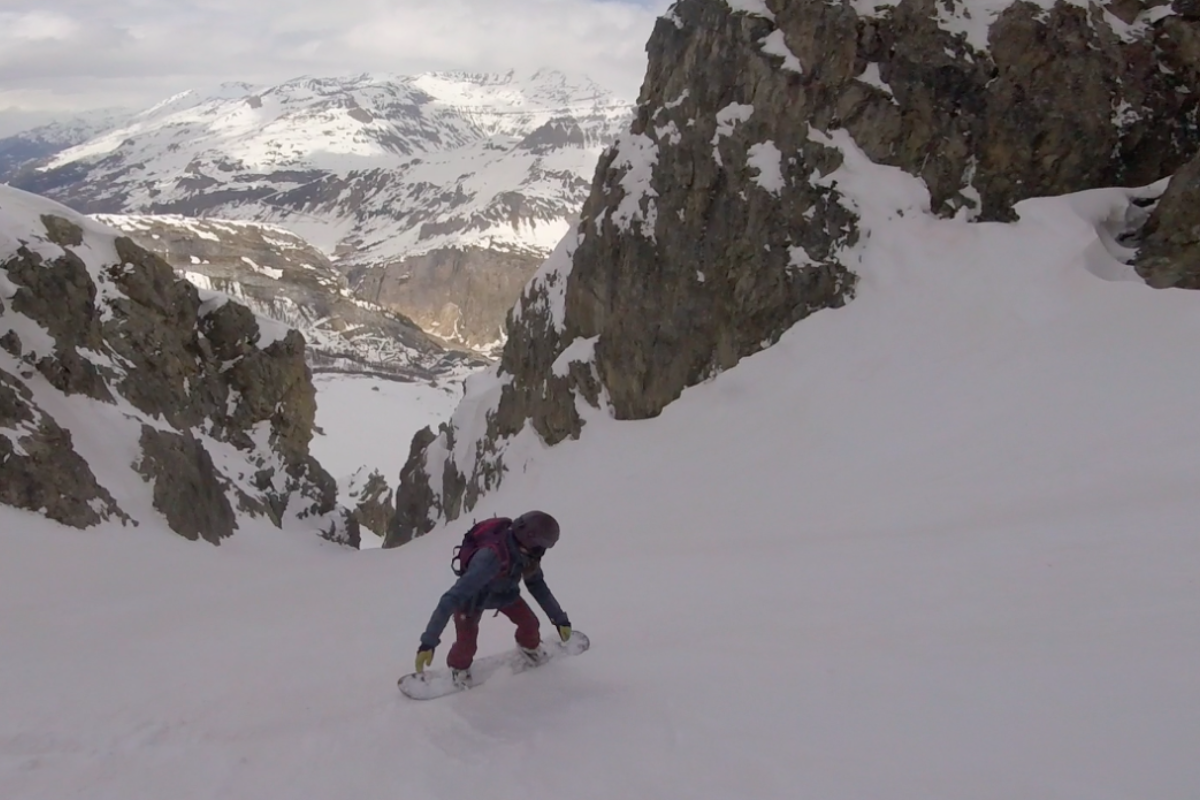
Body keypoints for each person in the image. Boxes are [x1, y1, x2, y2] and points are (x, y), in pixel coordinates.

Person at [415, 510, 572, 682]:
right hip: (472, 600)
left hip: (504, 593)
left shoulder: (526, 556)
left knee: (530, 625)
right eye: (541, 546)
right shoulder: (490, 559)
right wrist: (428, 642)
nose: (542, 551)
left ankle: (529, 648)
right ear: (530, 540)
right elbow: (451, 599)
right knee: (466, 646)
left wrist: (559, 619)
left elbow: (537, 586)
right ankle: (458, 668)